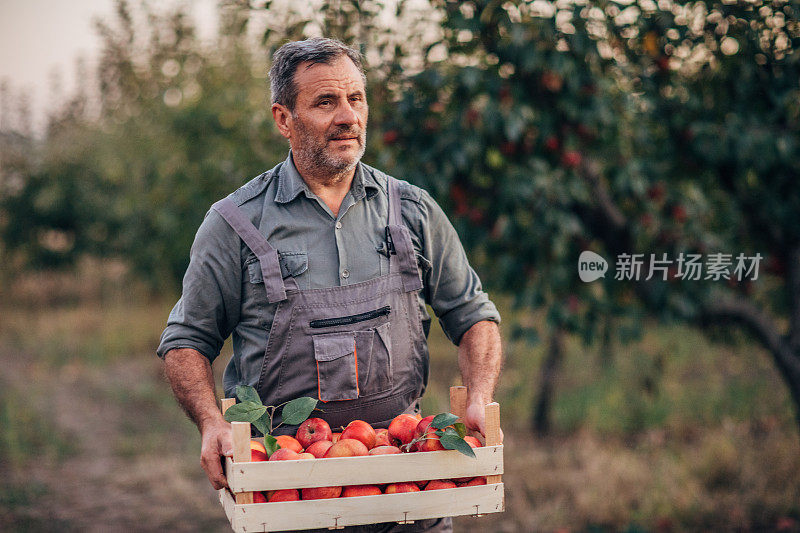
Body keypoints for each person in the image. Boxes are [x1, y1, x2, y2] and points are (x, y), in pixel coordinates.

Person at [157, 37, 502, 532]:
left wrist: (479, 394)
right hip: (286, 490)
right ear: (283, 119)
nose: (348, 116)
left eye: (356, 98)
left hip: (408, 480)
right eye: (325, 102)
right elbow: (186, 340)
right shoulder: (234, 224)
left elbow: (474, 315)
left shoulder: (411, 211)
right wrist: (212, 423)